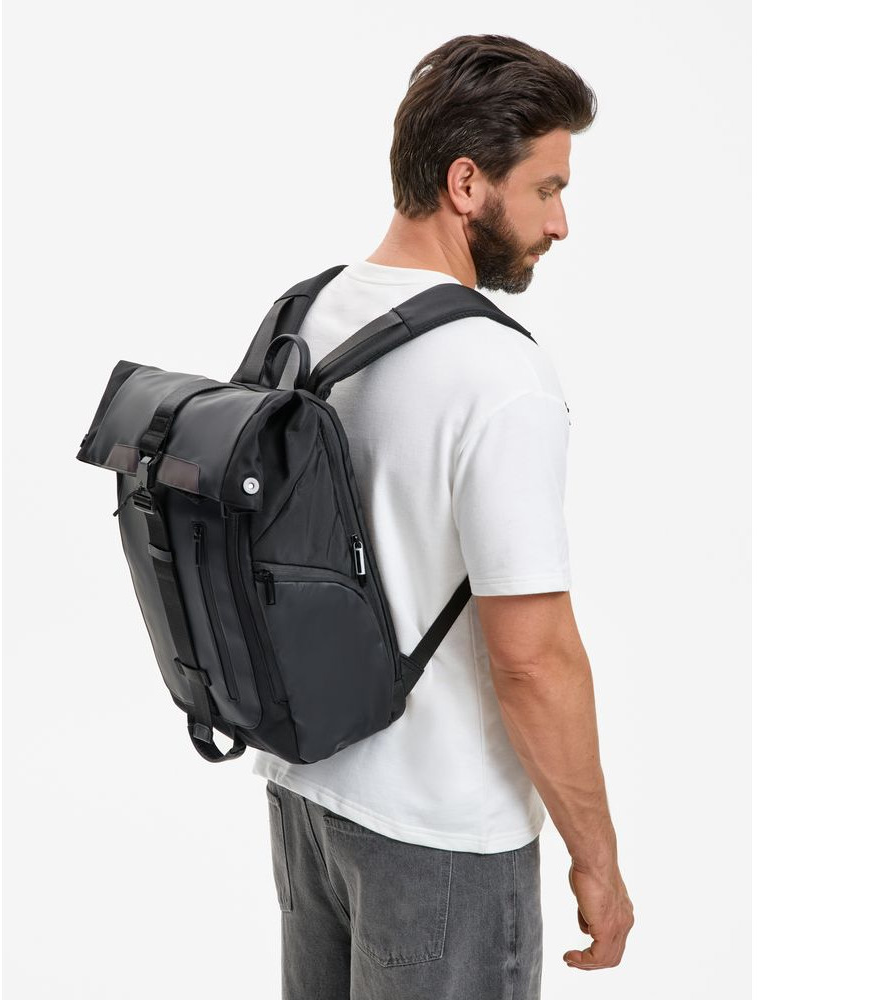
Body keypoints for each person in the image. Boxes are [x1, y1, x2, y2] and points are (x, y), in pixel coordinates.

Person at [251, 33, 634, 1000]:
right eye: (546, 188)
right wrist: (597, 857)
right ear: (468, 183)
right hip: (444, 839)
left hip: (307, 794)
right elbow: (533, 659)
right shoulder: (500, 373)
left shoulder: (305, 314)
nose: (560, 223)